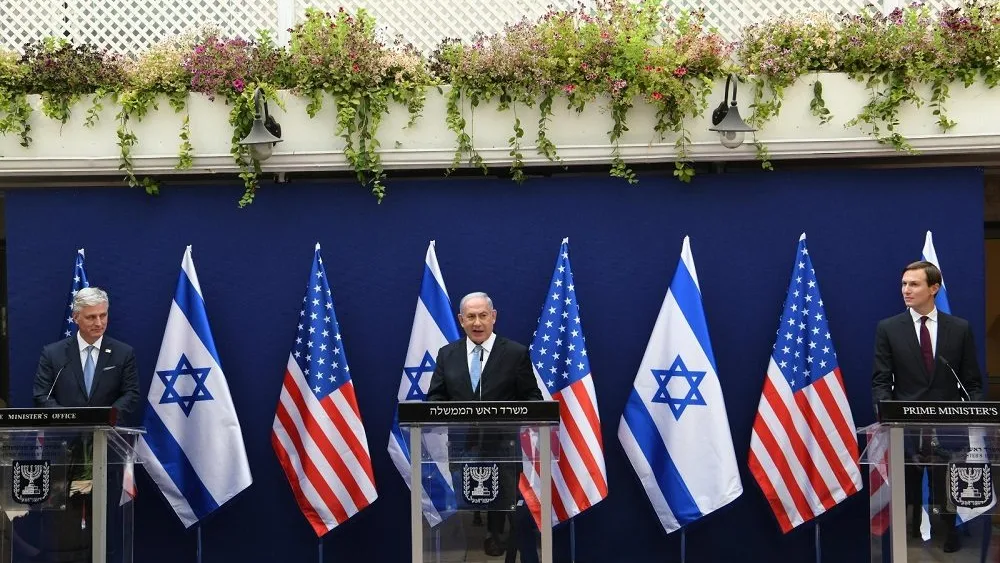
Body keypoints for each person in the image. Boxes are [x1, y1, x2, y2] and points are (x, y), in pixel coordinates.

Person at [871, 261, 983, 553]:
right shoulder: (889, 328)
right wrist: (885, 412)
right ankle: (909, 532)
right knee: (909, 483)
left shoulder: (959, 329)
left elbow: (971, 380)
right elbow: (881, 378)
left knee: (945, 483)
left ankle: (950, 532)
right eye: (904, 284)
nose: (906, 290)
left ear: (934, 288)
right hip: (904, 428)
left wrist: (976, 412)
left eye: (914, 284)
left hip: (949, 424)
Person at [426, 292, 542, 559]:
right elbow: (435, 398)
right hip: (462, 453)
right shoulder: (447, 354)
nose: (477, 323)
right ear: (461, 320)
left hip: (503, 453)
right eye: (470, 317)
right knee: (466, 520)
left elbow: (533, 400)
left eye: (483, 315)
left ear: (494, 317)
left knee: (502, 528)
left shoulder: (515, 353)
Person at [33, 286, 140, 422]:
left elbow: (131, 394)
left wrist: (106, 418)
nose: (99, 323)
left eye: (103, 315)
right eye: (91, 317)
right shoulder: (52, 354)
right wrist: (70, 419)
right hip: (64, 435)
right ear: (76, 318)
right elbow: (42, 396)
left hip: (108, 436)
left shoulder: (124, 353)